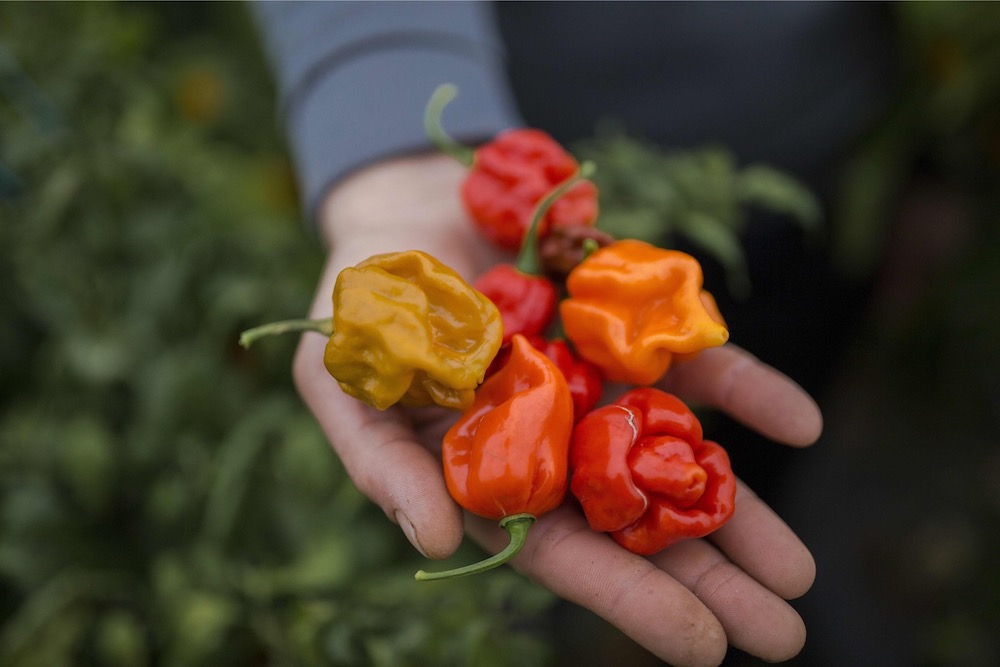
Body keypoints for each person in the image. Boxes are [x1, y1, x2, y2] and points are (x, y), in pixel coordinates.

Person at [252, 3, 898, 665]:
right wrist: (385, 125)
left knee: (776, 411)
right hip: (529, 86)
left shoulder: (564, 325)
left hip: (832, 110)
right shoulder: (521, 335)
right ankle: (542, 631)